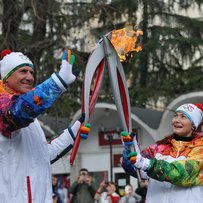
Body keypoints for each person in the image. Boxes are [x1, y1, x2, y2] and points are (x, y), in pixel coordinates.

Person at [0, 49, 87, 202]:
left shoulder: (31, 120)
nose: (29, 77)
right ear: (7, 76)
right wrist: (58, 83)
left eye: (31, 72)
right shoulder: (6, 105)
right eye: (23, 71)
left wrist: (72, 134)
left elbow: (41, 156)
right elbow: (18, 111)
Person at [121, 103, 203, 203]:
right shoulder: (159, 148)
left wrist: (148, 164)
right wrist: (130, 150)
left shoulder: (199, 149)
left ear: (193, 125)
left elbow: (182, 174)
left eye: (183, 117)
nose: (176, 120)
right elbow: (139, 172)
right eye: (175, 115)